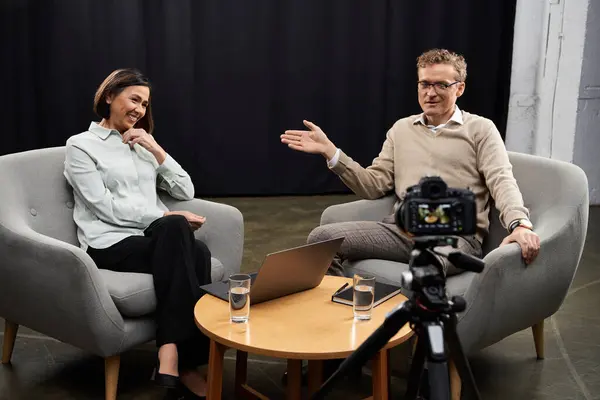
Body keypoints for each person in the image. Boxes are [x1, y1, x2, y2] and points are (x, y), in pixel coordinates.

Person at [281, 48, 541, 278]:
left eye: (441, 85)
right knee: (321, 239)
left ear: (459, 88)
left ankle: (414, 333)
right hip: (401, 231)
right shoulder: (401, 129)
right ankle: (343, 320)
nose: (430, 93)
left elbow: (501, 179)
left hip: (455, 237)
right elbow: (372, 185)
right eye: (424, 84)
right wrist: (331, 152)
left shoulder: (480, 129)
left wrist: (520, 224)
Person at [64, 68, 208, 399]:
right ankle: (177, 359)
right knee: (176, 229)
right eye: (134, 99)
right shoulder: (81, 146)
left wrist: (155, 148)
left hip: (147, 238)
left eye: (144, 104)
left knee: (197, 251)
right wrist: (165, 216)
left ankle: (174, 358)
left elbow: (185, 189)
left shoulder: (141, 143)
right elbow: (103, 208)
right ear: (110, 96)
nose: (139, 110)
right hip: (106, 242)